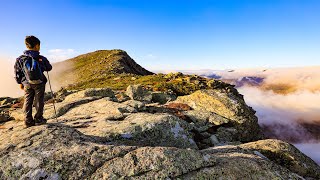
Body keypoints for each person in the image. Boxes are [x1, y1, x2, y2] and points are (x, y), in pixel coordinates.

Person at [14, 35, 52, 127]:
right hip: (39, 82)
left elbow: (17, 72)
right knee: (39, 100)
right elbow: (49, 68)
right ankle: (39, 119)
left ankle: (28, 121)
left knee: (28, 101)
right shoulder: (41, 58)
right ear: (37, 46)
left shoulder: (20, 59)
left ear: (27, 46)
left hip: (27, 83)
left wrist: (20, 83)